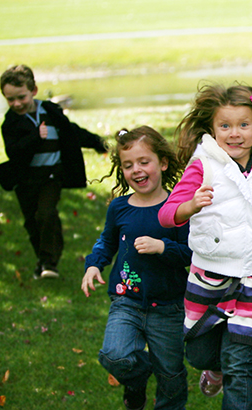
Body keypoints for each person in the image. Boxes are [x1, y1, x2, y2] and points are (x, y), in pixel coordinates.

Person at [158, 84, 252, 410]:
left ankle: (228, 375)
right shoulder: (202, 165)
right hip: (209, 277)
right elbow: (166, 215)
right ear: (212, 129)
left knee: (240, 361)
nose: (234, 134)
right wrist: (189, 206)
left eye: (243, 125)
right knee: (200, 353)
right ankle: (213, 368)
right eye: (225, 126)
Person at [81, 126, 191, 410]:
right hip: (126, 300)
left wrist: (162, 247)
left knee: (170, 372)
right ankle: (137, 380)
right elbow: (106, 242)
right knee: (114, 355)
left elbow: (191, 253)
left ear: (162, 163)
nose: (137, 170)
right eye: (128, 165)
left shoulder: (177, 207)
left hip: (169, 306)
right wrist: (94, 265)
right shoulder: (119, 207)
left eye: (144, 162)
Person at [0, 64, 107, 279]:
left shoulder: (50, 111)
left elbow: (72, 132)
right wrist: (36, 137)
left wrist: (98, 143)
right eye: (10, 99)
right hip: (26, 180)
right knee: (32, 223)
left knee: (46, 214)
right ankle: (43, 260)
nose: (16, 103)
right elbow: (14, 152)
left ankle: (50, 263)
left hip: (51, 177)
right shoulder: (10, 123)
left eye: (21, 97)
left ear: (33, 91)